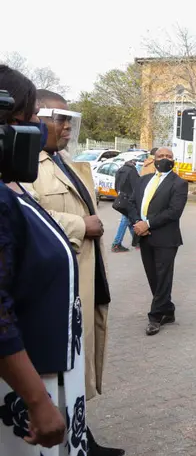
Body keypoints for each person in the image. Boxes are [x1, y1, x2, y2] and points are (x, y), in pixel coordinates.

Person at [22, 89, 123, 455]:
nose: (67, 127)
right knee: (59, 367)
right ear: (33, 118)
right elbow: (23, 215)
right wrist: (80, 225)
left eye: (69, 119)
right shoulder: (23, 164)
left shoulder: (63, 160)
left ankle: (82, 435)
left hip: (87, 275)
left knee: (82, 365)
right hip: (59, 283)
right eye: (58, 118)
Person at [0, 65, 86, 455]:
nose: (40, 129)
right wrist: (36, 401)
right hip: (19, 396)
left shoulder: (9, 189)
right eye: (33, 118)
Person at [125, 147, 188, 336]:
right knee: (153, 276)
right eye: (161, 156)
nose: (165, 159)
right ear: (154, 159)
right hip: (144, 237)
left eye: (169, 156)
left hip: (166, 238)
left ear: (174, 160)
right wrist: (137, 222)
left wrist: (148, 224)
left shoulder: (179, 183)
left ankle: (155, 317)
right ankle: (168, 310)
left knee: (163, 277)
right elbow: (132, 203)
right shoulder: (143, 180)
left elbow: (174, 211)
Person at [111, 159, 141, 252]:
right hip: (129, 199)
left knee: (129, 220)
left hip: (121, 198)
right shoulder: (132, 171)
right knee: (125, 220)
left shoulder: (120, 170)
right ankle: (116, 243)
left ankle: (137, 242)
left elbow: (116, 185)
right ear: (133, 164)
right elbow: (136, 186)